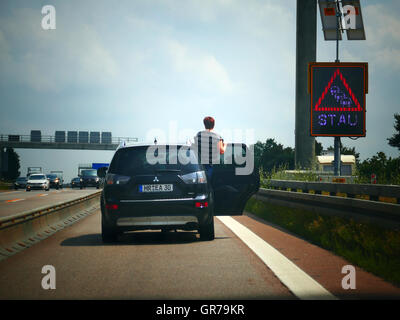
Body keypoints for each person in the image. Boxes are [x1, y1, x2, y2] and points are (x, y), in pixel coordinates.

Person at [192, 116, 226, 181]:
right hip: (210, 165)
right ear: (214, 124)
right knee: (208, 183)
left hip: (199, 164)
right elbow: (221, 151)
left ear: (204, 124)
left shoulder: (199, 134)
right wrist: (225, 145)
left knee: (202, 184)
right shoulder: (217, 136)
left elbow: (195, 148)